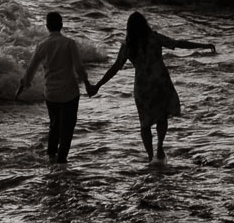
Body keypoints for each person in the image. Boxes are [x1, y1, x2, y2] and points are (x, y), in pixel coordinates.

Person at [92, 11, 215, 161]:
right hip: (160, 83)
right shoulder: (154, 38)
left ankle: (150, 157)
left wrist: (98, 85)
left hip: (142, 88)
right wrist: (203, 45)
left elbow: (115, 68)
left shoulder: (128, 46)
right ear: (145, 24)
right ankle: (160, 147)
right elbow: (178, 43)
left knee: (145, 123)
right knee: (162, 117)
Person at [16, 11, 95, 164]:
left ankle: (51, 157)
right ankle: (61, 162)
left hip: (51, 94)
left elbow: (30, 70)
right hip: (69, 93)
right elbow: (79, 68)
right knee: (67, 129)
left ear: (47, 26)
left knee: (54, 126)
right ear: (61, 25)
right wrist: (87, 85)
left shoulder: (42, 46)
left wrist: (22, 86)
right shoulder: (69, 43)